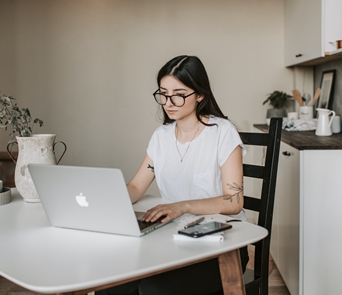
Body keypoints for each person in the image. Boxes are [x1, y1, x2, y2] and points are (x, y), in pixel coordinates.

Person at [97, 55, 248, 295]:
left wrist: (182, 206)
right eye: (163, 93)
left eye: (179, 93)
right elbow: (136, 187)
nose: (169, 102)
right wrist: (102, 200)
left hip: (221, 242)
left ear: (200, 94)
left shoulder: (223, 133)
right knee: (112, 282)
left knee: (152, 288)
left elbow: (234, 200)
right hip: (174, 238)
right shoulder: (161, 136)